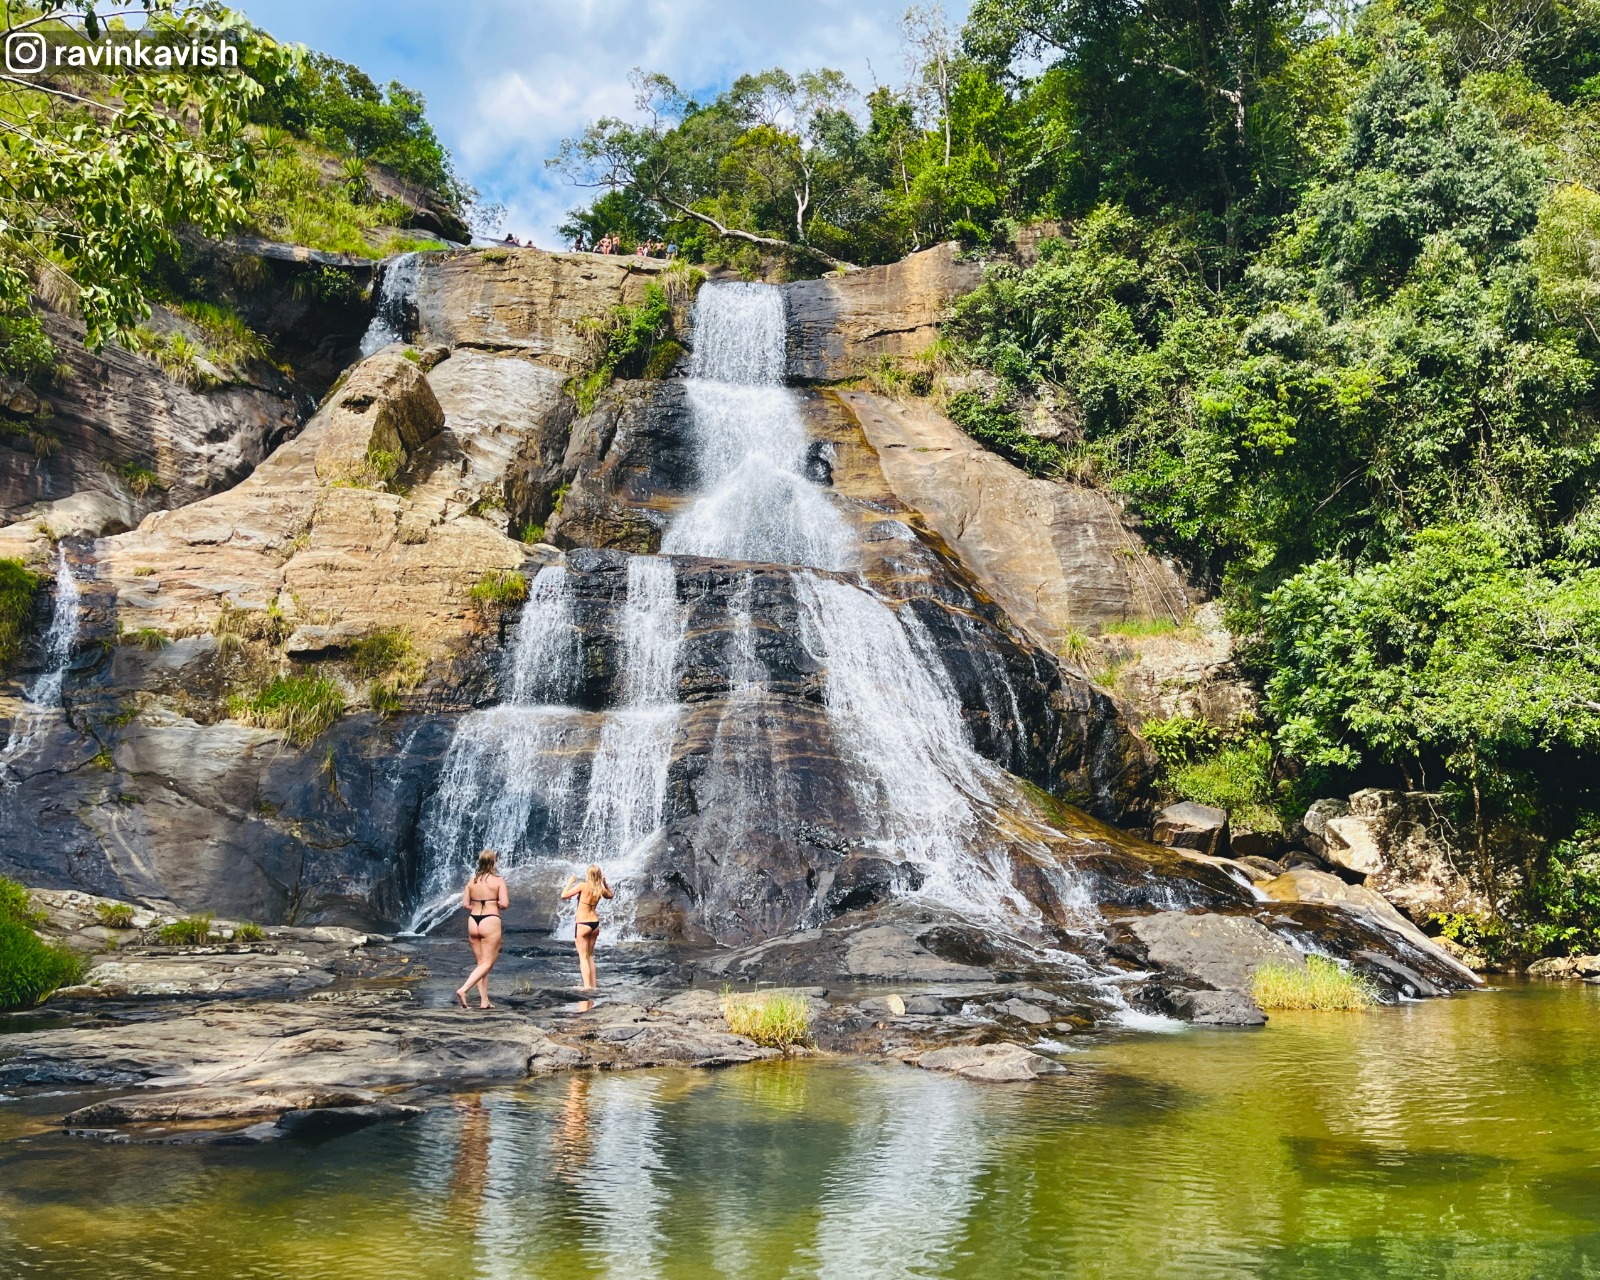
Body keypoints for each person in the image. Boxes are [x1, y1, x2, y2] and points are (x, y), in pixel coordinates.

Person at [456, 849, 508, 1009]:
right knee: (487, 963)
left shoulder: (472, 882)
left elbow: (465, 904)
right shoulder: (498, 881)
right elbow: (504, 904)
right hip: (490, 920)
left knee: (481, 963)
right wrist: (494, 904)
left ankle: (484, 1001)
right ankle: (463, 989)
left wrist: (477, 906)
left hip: (473, 920)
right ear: (493, 862)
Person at [560, 864, 613, 990]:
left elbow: (564, 895)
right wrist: (605, 884)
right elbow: (610, 896)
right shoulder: (600, 889)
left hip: (583, 924)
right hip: (595, 924)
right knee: (590, 956)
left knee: (583, 957)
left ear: (588, 874)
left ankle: (587, 986)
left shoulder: (582, 885)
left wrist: (569, 882)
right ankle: (593, 985)